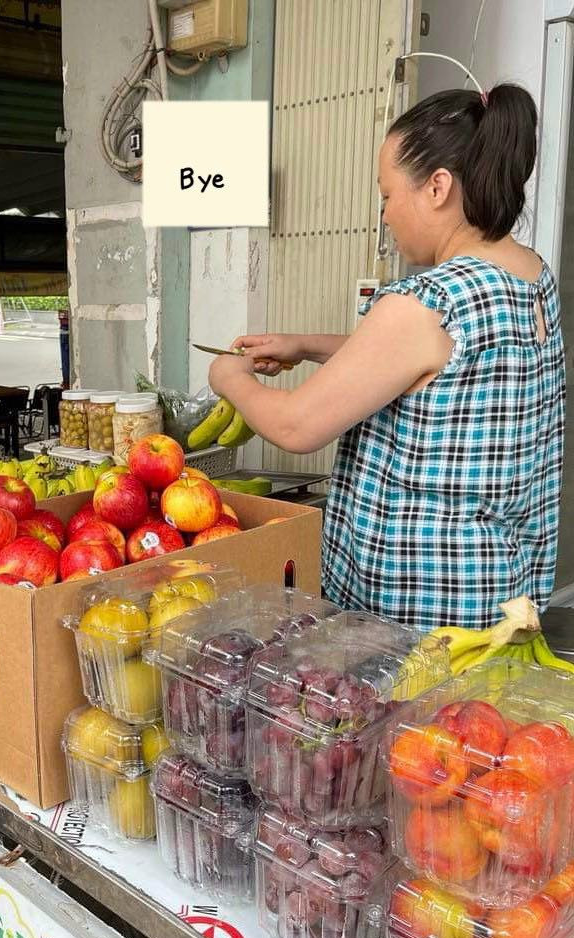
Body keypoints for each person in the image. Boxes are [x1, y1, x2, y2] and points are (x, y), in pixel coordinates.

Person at [209, 84, 565, 633]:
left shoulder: (429, 300)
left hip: (409, 613)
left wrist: (228, 376)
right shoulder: (530, 276)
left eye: (388, 195)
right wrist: (306, 346)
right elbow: (435, 370)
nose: (386, 216)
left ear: (437, 187)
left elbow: (296, 425)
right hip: (492, 591)